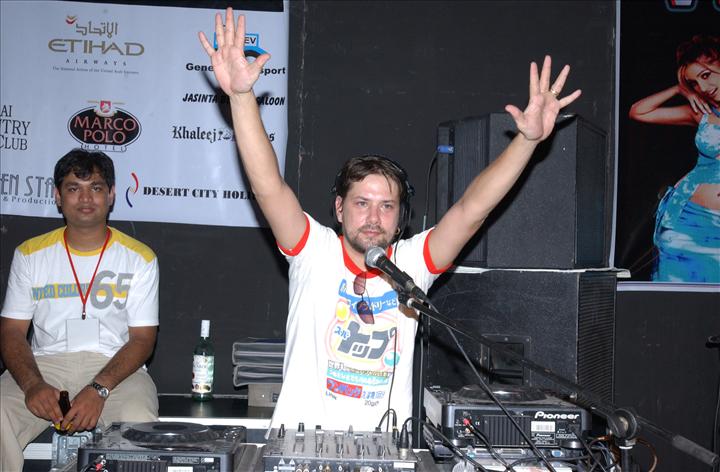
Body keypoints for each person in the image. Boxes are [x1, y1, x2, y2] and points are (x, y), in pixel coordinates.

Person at [198, 7, 581, 431]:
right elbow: (268, 185)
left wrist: (526, 142)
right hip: (299, 442)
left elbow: (472, 210)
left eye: (386, 206)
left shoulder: (411, 264)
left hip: (385, 448)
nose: (373, 217)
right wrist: (241, 97)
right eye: (361, 203)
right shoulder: (313, 250)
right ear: (339, 209)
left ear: (401, 218)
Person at [0, 149, 159, 471]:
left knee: (138, 420)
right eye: (74, 188)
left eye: (96, 188)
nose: (85, 198)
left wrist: (99, 389)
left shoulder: (139, 258)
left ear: (111, 195)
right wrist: (32, 385)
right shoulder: (30, 254)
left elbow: (143, 339)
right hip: (45, 365)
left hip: (115, 368)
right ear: (58, 197)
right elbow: (12, 332)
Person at [628, 34, 720, 283]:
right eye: (694, 83)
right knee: (678, 297)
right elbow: (638, 112)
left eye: (706, 75)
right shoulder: (700, 113)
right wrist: (679, 89)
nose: (703, 88)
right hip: (687, 222)